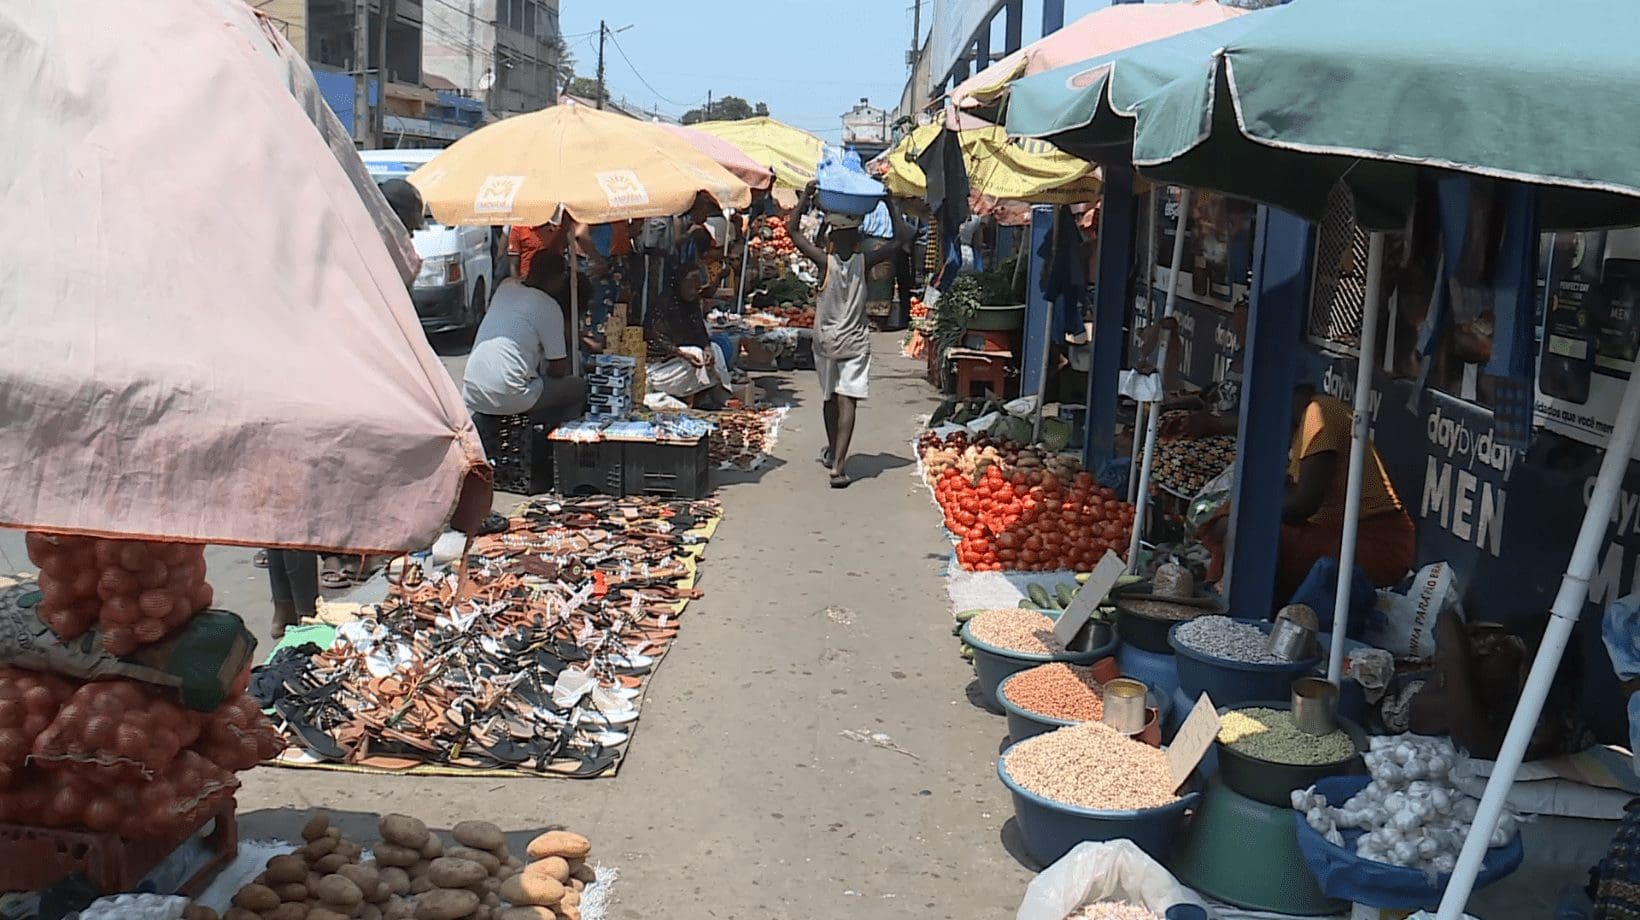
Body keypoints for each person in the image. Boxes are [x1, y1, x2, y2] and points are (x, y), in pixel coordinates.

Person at [1198, 370, 1415, 604]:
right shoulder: (1297, 426)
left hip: (1375, 542)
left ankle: (1236, 607)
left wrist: (1248, 514)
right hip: (1333, 532)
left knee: (1248, 530)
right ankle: (1217, 598)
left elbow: (1304, 504)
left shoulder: (1319, 412)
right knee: (1228, 521)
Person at [788, 182, 913, 487]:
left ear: (831, 238)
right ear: (858, 239)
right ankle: (839, 464)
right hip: (855, 341)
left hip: (826, 340)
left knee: (830, 397)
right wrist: (888, 201)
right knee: (849, 400)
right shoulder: (863, 262)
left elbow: (792, 232)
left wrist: (806, 196)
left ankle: (833, 451)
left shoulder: (823, 263)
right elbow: (901, 238)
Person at [463, 251, 587, 428]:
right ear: (555, 279)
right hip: (512, 394)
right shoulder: (548, 306)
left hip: (473, 389)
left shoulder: (505, 287)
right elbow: (558, 369)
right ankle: (560, 441)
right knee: (578, 388)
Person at [645, 261, 730, 406]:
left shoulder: (691, 304)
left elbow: (699, 330)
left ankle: (721, 395)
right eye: (690, 287)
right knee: (695, 353)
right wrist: (681, 353)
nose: (693, 292)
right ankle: (699, 394)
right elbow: (657, 340)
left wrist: (707, 347)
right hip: (659, 366)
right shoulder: (664, 304)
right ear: (679, 284)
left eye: (696, 288)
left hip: (680, 361)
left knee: (715, 349)